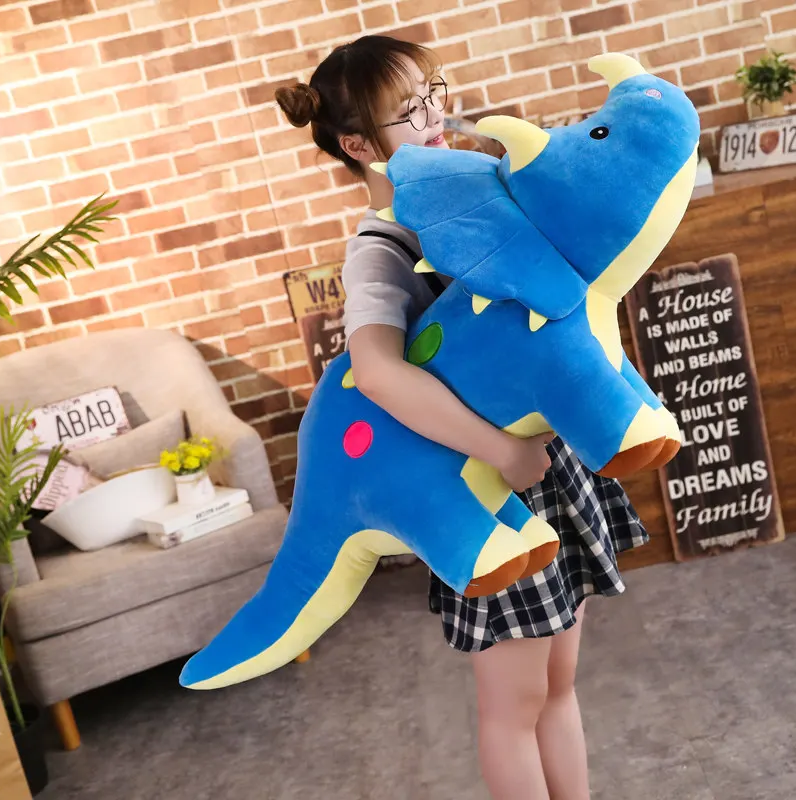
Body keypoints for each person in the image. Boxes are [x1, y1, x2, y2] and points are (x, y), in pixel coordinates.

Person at [275, 35, 648, 800]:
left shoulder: (480, 193)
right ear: (357, 145)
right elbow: (378, 373)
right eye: (407, 110)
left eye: (433, 92)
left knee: (560, 684)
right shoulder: (381, 247)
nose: (435, 115)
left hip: (550, 469)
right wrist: (500, 453)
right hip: (485, 492)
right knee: (514, 706)